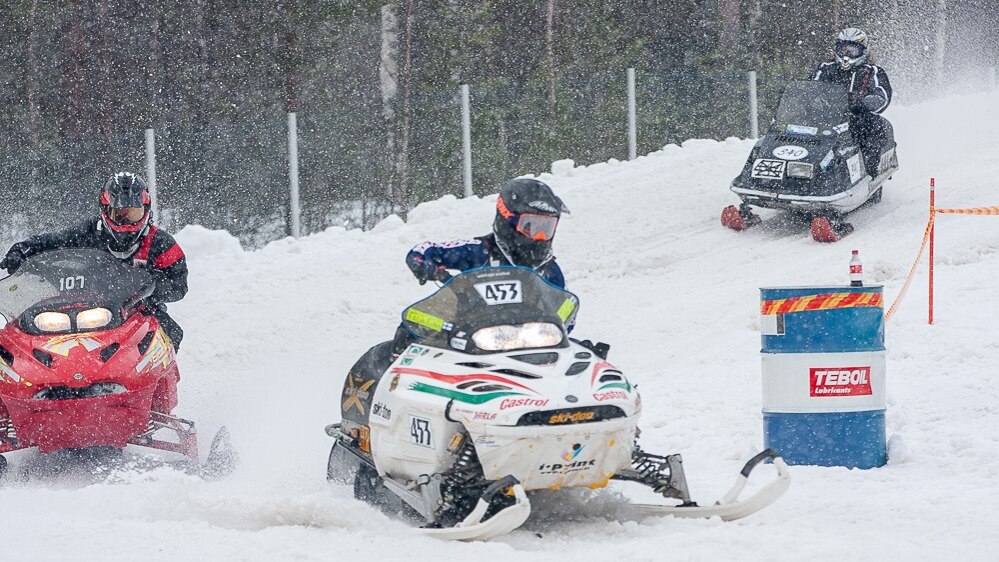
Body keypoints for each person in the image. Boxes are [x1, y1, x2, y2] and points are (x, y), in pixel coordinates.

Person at [0, 172, 188, 349]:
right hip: (85, 307)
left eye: (133, 214)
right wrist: (25, 249)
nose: (126, 223)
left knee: (171, 333)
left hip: (139, 309)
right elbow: (54, 241)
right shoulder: (88, 232)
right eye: (119, 214)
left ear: (146, 210)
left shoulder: (162, 243)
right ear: (105, 210)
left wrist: (151, 284)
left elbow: (179, 286)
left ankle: (160, 381)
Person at [405, 178, 569, 288]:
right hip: (473, 330)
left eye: (546, 227)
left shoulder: (548, 269)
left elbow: (566, 310)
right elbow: (426, 248)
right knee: (412, 331)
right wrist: (422, 263)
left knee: (571, 341)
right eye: (530, 226)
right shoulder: (478, 251)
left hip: (530, 335)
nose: (539, 236)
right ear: (507, 220)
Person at [812, 27, 894, 177]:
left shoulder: (872, 71)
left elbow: (882, 95)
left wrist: (862, 103)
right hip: (826, 116)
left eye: (852, 50)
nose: (846, 55)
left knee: (871, 129)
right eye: (843, 50)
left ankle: (869, 173)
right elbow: (810, 89)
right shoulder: (825, 68)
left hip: (857, 118)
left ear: (862, 51)